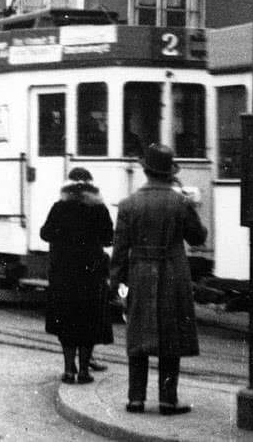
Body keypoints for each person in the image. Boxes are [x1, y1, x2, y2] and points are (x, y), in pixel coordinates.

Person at [110, 143, 207, 415]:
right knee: (170, 337)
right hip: (173, 274)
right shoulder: (180, 202)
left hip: (138, 273)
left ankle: (135, 399)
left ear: (146, 171)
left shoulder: (129, 204)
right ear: (169, 173)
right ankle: (167, 400)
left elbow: (119, 250)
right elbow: (198, 238)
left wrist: (117, 286)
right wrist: (192, 206)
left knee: (137, 336)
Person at [40, 167, 114, 384]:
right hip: (91, 275)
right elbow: (109, 238)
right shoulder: (99, 209)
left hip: (63, 274)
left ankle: (68, 370)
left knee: (66, 322)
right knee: (88, 322)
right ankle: (84, 371)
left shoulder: (59, 207)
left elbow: (45, 233)